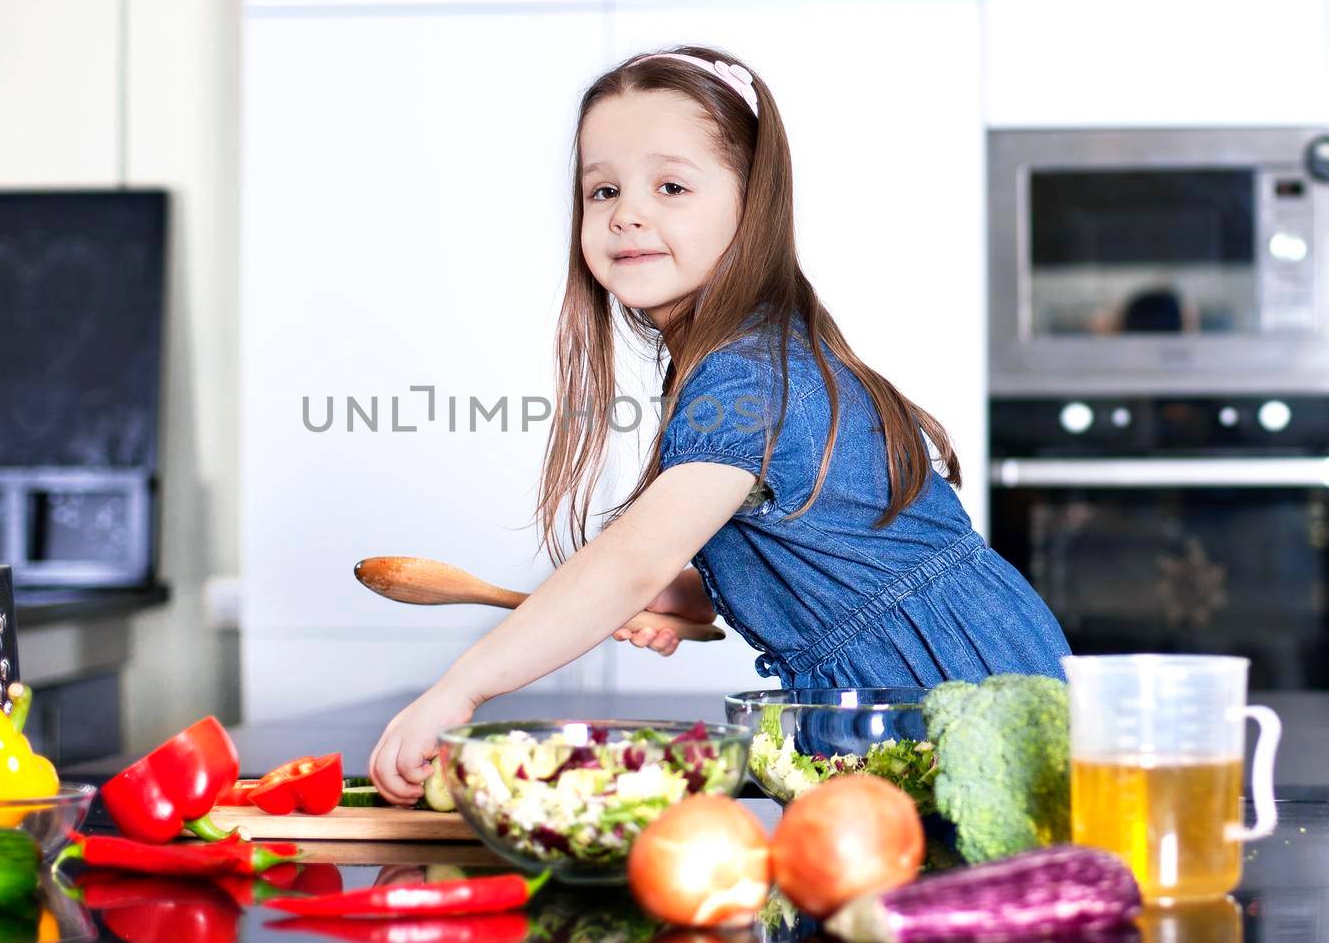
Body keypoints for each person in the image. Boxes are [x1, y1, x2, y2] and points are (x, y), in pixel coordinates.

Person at [368, 45, 1071, 803]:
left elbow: (626, 561)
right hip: (951, 686)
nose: (626, 212)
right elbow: (819, 543)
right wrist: (705, 587)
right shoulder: (742, 354)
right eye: (602, 190)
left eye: (671, 185)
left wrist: (460, 689)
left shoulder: (745, 370)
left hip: (952, 695)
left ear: (752, 206)